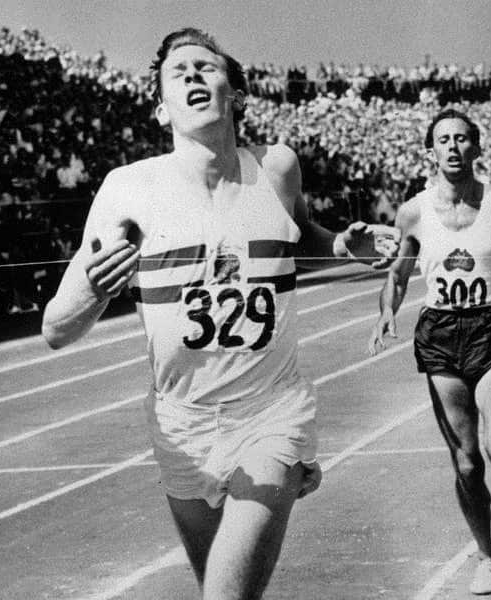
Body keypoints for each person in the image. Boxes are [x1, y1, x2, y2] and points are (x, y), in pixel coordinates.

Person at [41, 28, 398, 600]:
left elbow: (294, 236)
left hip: (270, 409)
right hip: (181, 423)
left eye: (206, 67)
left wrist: (340, 246)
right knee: (222, 587)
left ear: (235, 94)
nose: (192, 74)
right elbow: (56, 329)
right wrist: (96, 289)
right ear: (161, 108)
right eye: (177, 71)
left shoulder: (276, 167)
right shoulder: (128, 189)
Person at [368, 109, 491, 595]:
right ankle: (487, 557)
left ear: (477, 147)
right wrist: (387, 311)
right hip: (441, 336)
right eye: (443, 139)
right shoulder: (414, 212)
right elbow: (399, 273)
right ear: (431, 151)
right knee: (467, 464)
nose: (452, 146)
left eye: (462, 138)